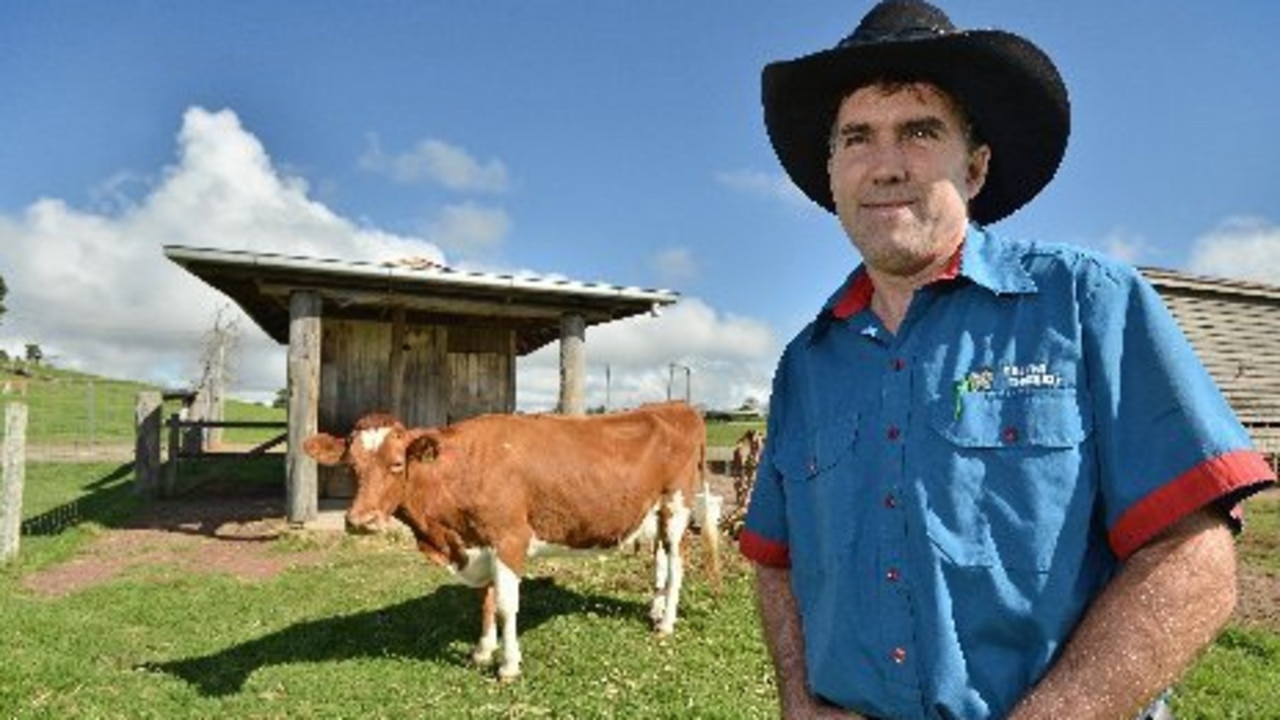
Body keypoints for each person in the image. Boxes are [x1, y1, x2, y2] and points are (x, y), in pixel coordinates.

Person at [737, 2, 1278, 719]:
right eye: (857, 137)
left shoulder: (1086, 303)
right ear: (832, 170)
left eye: (921, 131)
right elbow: (776, 564)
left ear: (977, 166)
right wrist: (800, 705)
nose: (887, 162)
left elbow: (1194, 559)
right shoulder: (807, 365)